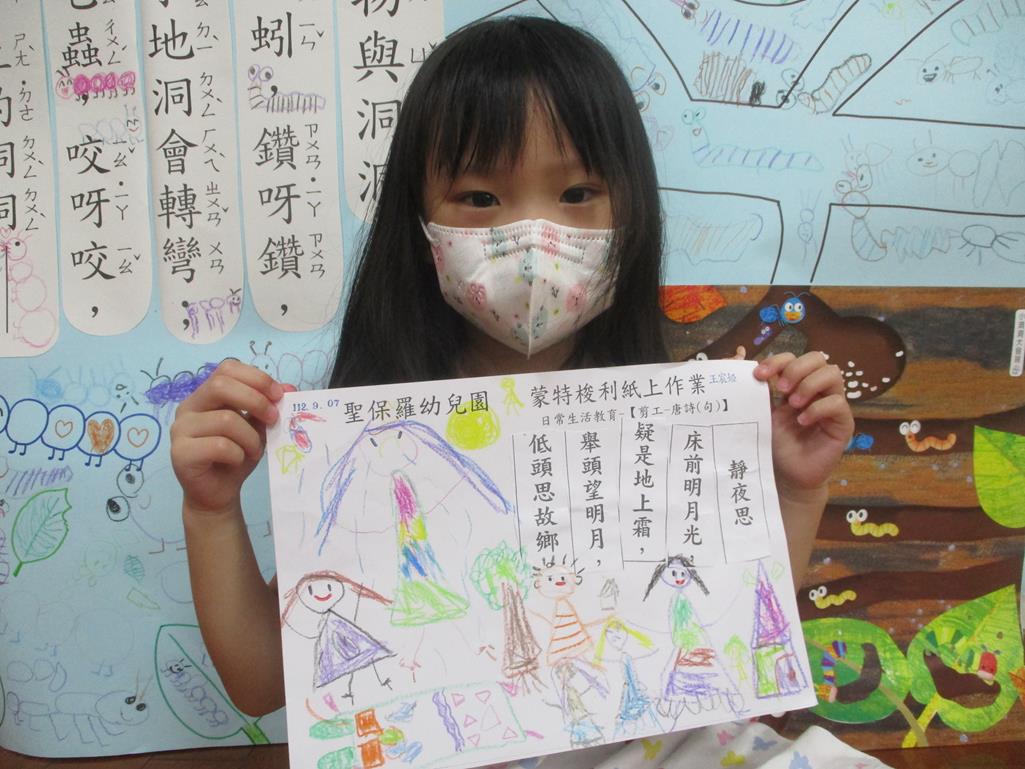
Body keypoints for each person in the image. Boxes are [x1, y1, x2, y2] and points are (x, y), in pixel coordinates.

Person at [171, 15, 887, 769]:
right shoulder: (382, 436)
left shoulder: (668, 420)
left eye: (577, 192)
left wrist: (796, 490)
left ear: (631, 210)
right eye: (480, 197)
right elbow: (261, 680)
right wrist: (210, 510)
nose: (533, 237)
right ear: (418, 222)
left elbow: (732, 624)